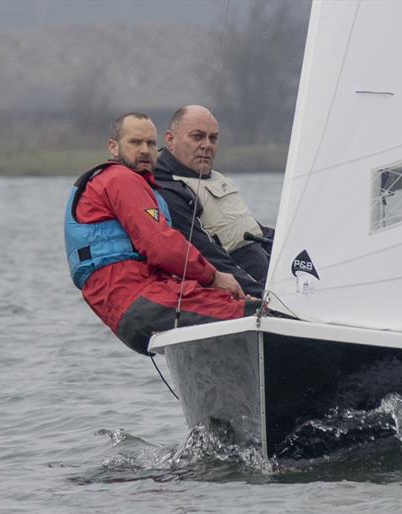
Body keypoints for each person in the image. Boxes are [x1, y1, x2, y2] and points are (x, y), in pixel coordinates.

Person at [64, 112, 259, 355]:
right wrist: (214, 277)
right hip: (142, 300)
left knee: (235, 305)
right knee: (257, 313)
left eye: (151, 143)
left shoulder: (118, 182)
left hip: (128, 312)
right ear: (113, 147)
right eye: (136, 143)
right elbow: (161, 246)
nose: (145, 150)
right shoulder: (121, 179)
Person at [154, 105, 273, 298]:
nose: (207, 145)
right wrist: (267, 296)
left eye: (213, 138)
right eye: (197, 137)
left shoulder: (216, 178)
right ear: (170, 139)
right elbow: (209, 257)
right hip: (250, 295)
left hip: (276, 282)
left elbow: (256, 232)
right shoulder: (169, 190)